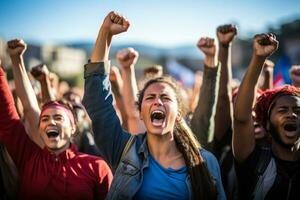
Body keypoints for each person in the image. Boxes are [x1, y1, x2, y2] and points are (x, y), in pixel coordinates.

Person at [83, 11, 225, 200]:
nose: (157, 101)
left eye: (165, 98)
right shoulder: (125, 151)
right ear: (140, 113)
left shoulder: (206, 163)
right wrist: (105, 33)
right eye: (149, 98)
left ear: (179, 114)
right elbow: (97, 102)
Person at [0, 39, 112, 199]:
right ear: (39, 129)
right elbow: (11, 117)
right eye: (44, 119)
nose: (50, 122)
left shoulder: (96, 167)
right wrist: (12, 62)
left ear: (73, 127)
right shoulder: (28, 158)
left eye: (58, 117)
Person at [233, 33, 300, 199]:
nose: (291, 114)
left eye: (298, 111)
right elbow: (241, 118)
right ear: (267, 123)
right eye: (282, 110)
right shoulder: (254, 161)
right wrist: (258, 58)